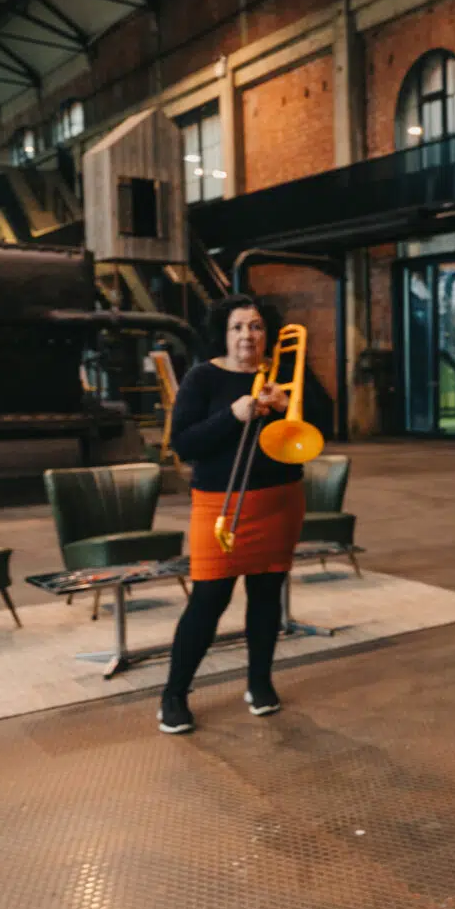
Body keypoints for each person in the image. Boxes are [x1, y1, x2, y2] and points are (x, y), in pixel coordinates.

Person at [157, 294, 306, 734]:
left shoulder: (281, 376)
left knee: (267, 596)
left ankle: (259, 683)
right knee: (209, 599)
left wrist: (286, 406)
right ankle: (173, 694)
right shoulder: (202, 378)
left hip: (279, 502)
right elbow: (184, 443)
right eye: (237, 327)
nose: (247, 335)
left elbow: (318, 428)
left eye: (256, 326)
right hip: (219, 505)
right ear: (223, 334)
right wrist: (233, 415)